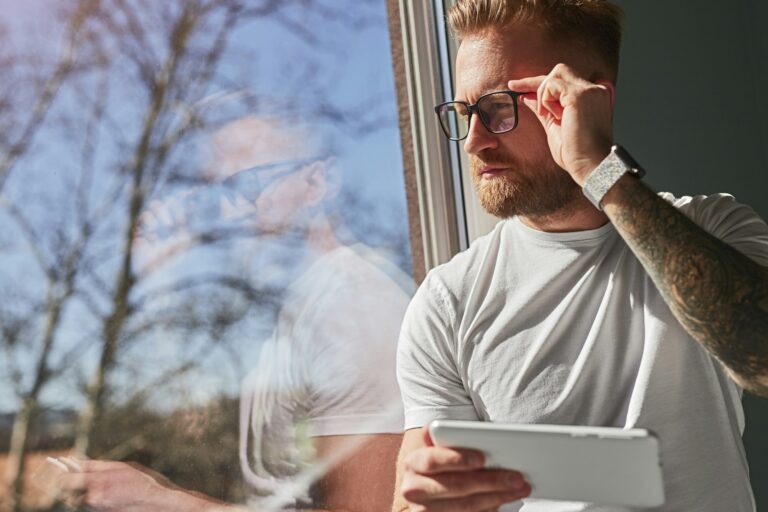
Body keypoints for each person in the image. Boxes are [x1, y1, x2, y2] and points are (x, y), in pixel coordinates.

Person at [392, 1, 768, 512]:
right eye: (463, 114)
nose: (474, 141)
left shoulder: (714, 227)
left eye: (499, 107)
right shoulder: (446, 302)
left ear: (591, 101)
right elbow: (416, 496)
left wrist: (599, 169)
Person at [55, 116, 412, 512]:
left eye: (245, 186)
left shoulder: (352, 309)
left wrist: (156, 501)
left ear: (316, 184)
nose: (229, 213)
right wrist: (159, 271)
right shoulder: (294, 310)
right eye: (218, 194)